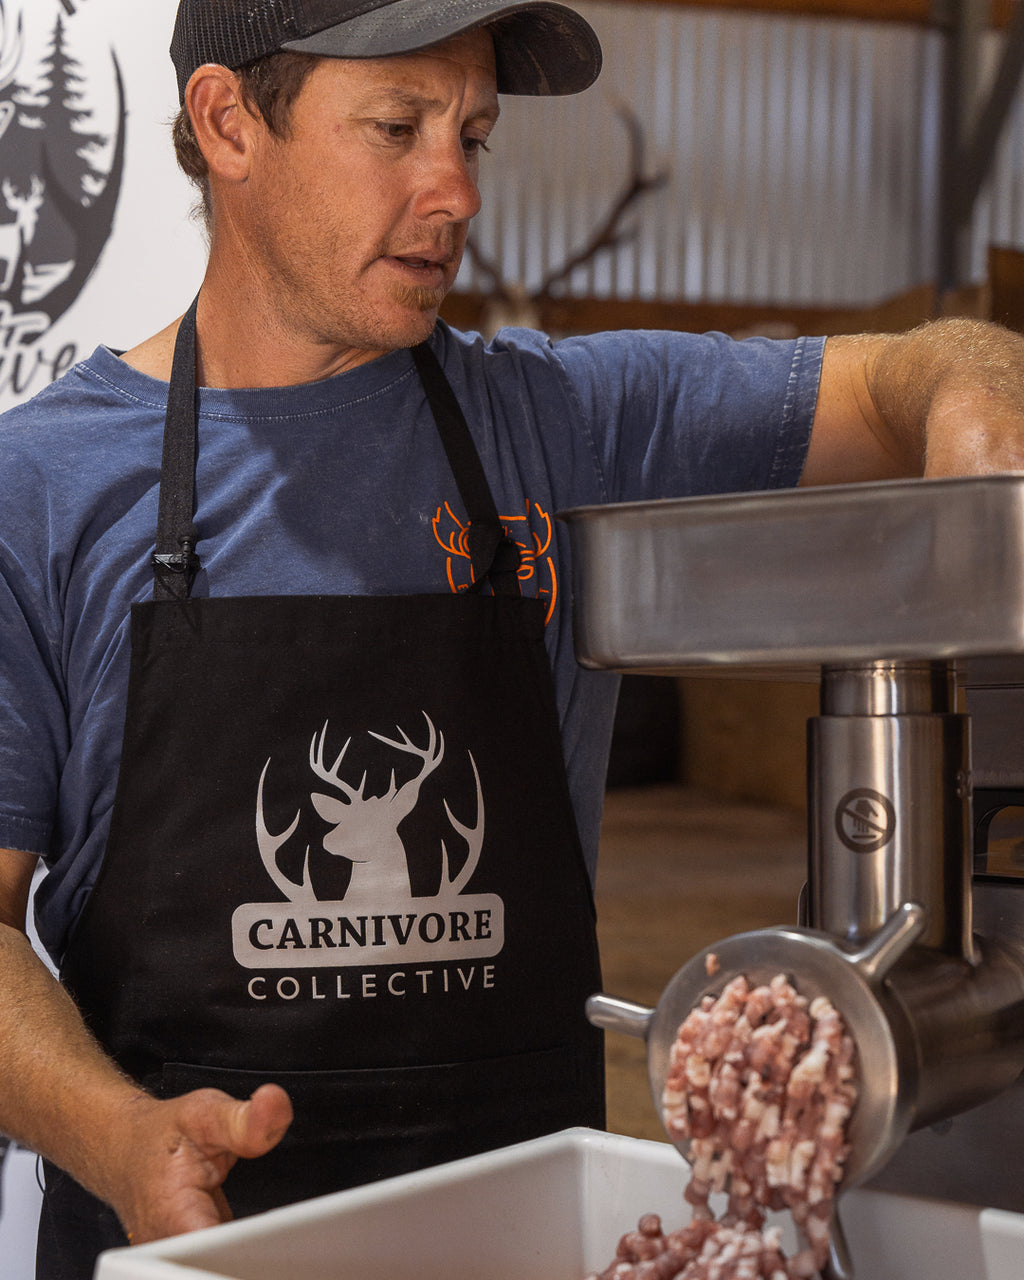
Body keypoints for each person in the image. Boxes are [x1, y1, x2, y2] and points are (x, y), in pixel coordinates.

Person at [2, 0, 1024, 1275]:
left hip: (528, 1234)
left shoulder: (557, 422)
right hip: (185, 1252)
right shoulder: (40, 489)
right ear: (227, 124)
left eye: (472, 136)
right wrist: (119, 1140)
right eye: (398, 128)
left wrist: (979, 410)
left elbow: (912, 367)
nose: (458, 192)